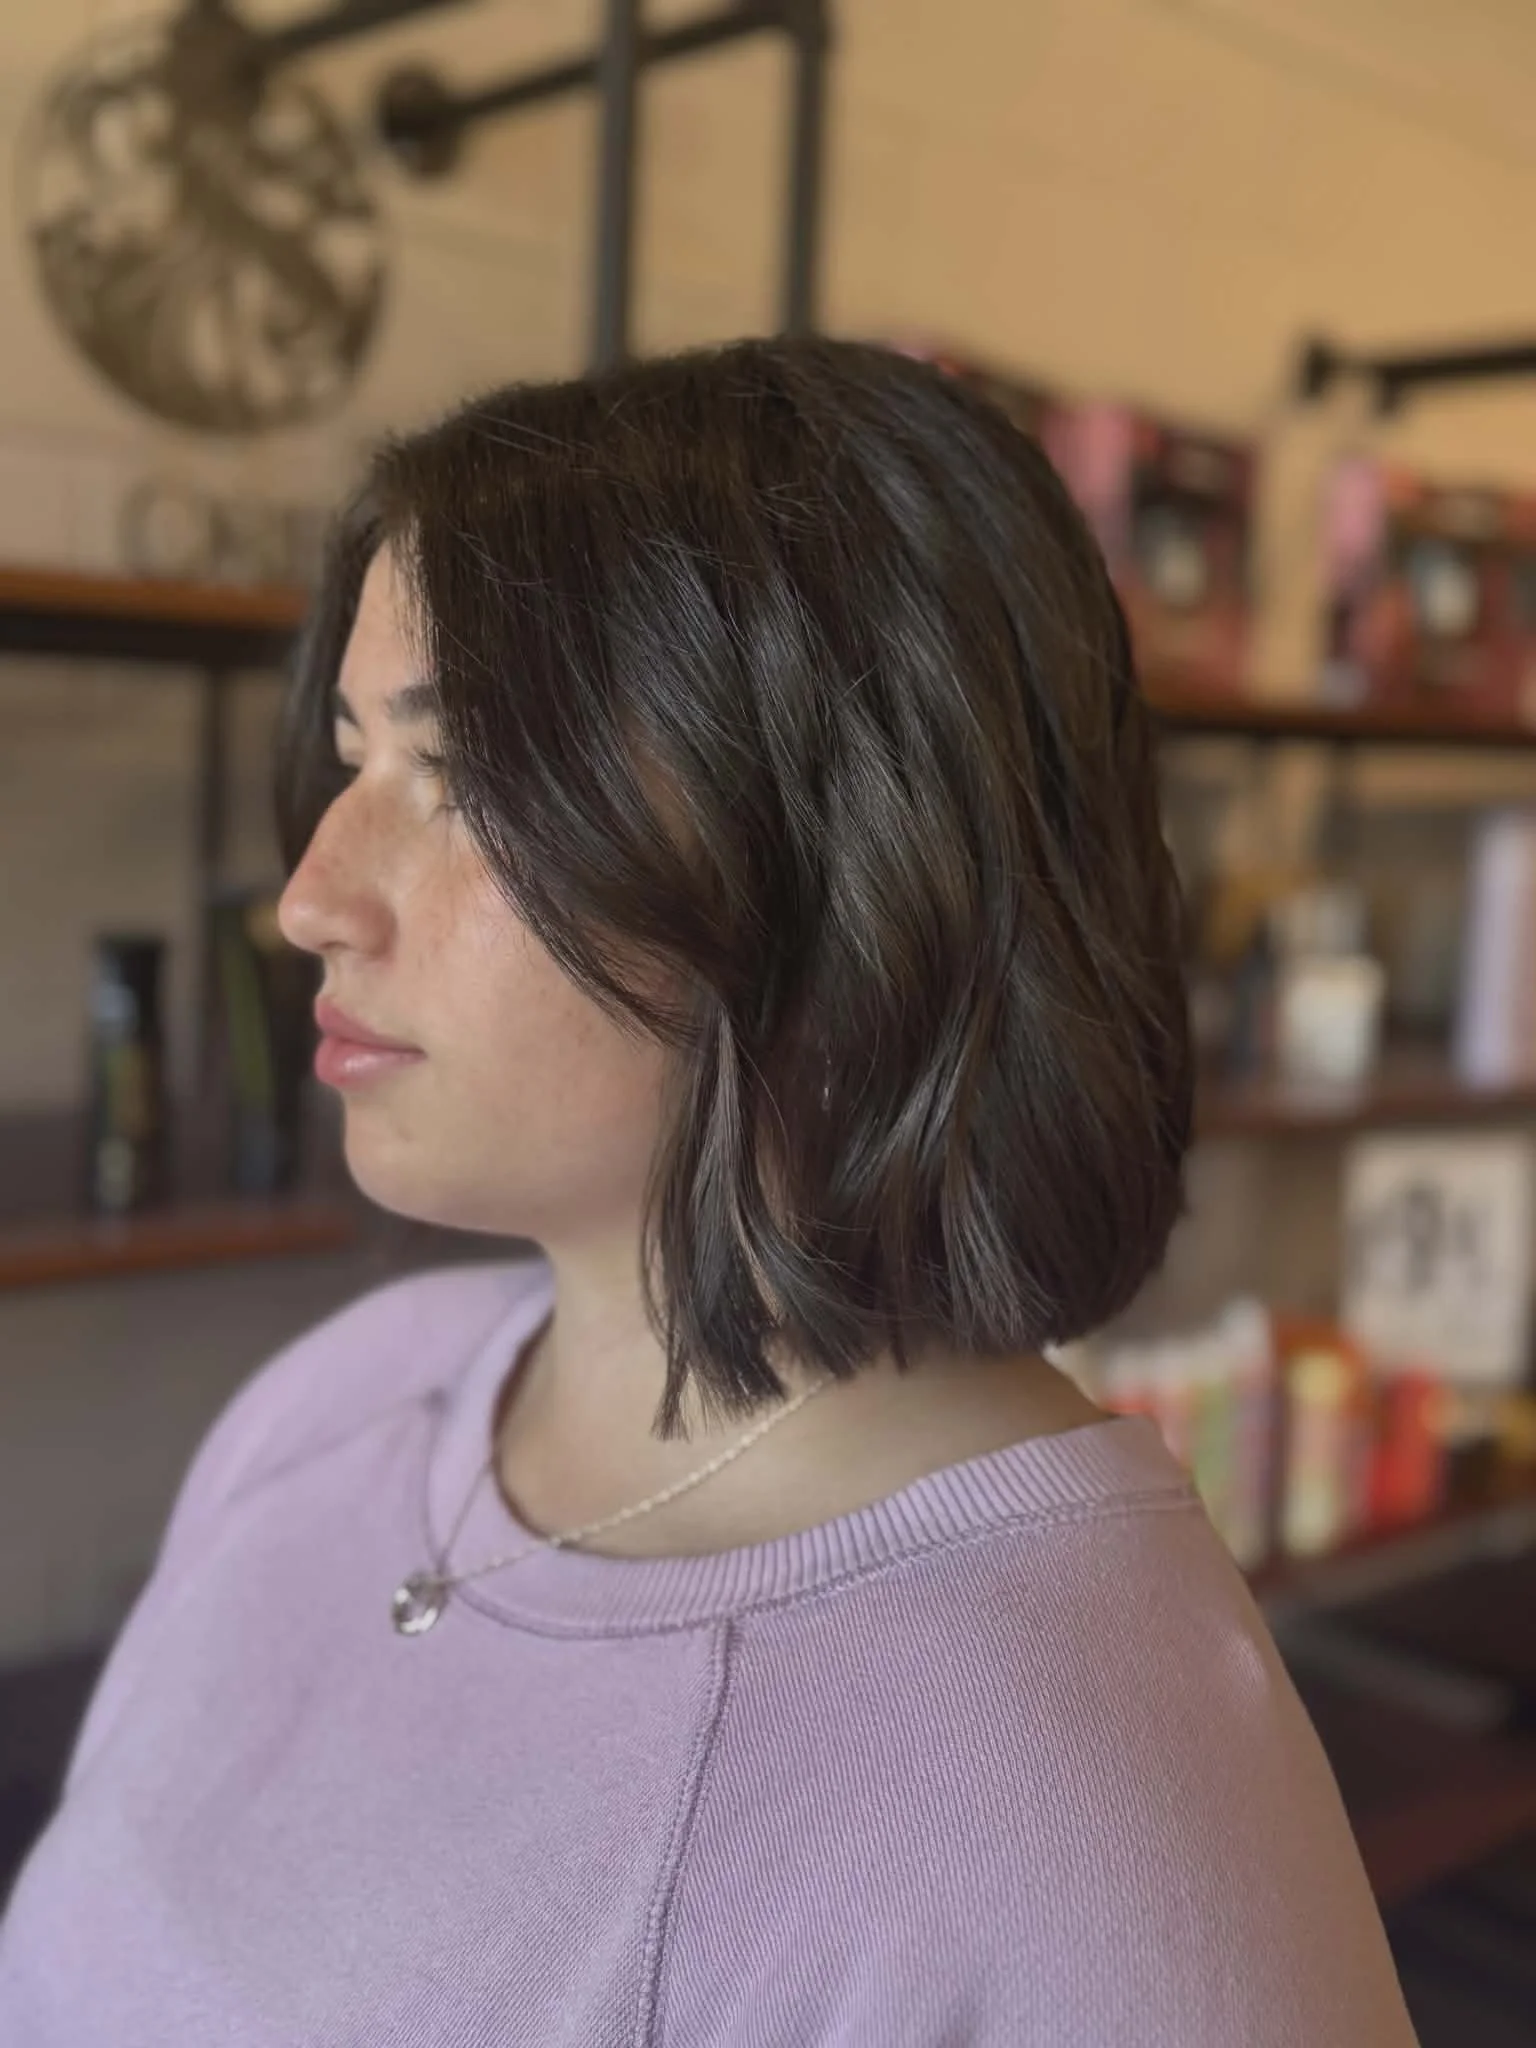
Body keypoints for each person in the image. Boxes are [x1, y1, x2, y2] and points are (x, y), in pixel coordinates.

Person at [0, 337, 1418, 2046]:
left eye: (464, 781)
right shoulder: (352, 1393)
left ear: (844, 844)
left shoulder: (1074, 1823)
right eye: (355, 758)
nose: (311, 898)